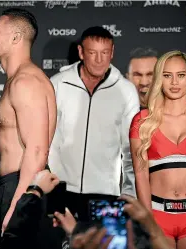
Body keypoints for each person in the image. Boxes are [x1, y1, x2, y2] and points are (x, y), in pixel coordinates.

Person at [48, 26, 140, 222]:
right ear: (81, 52)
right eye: (92, 53)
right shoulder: (57, 84)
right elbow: (45, 139)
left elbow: (130, 148)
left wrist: (129, 194)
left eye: (104, 53)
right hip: (60, 189)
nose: (99, 60)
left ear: (112, 53)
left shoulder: (126, 91)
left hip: (106, 192)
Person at [0, 8, 57, 234]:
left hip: (24, 188)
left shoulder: (25, 82)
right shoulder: (19, 79)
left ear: (16, 37)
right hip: (20, 186)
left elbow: (37, 151)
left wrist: (17, 207)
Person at [130, 50, 186, 249]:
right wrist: (148, 221)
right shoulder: (142, 121)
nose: (174, 82)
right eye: (167, 75)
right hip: (157, 216)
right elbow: (140, 177)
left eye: (181, 75)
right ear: (159, 79)